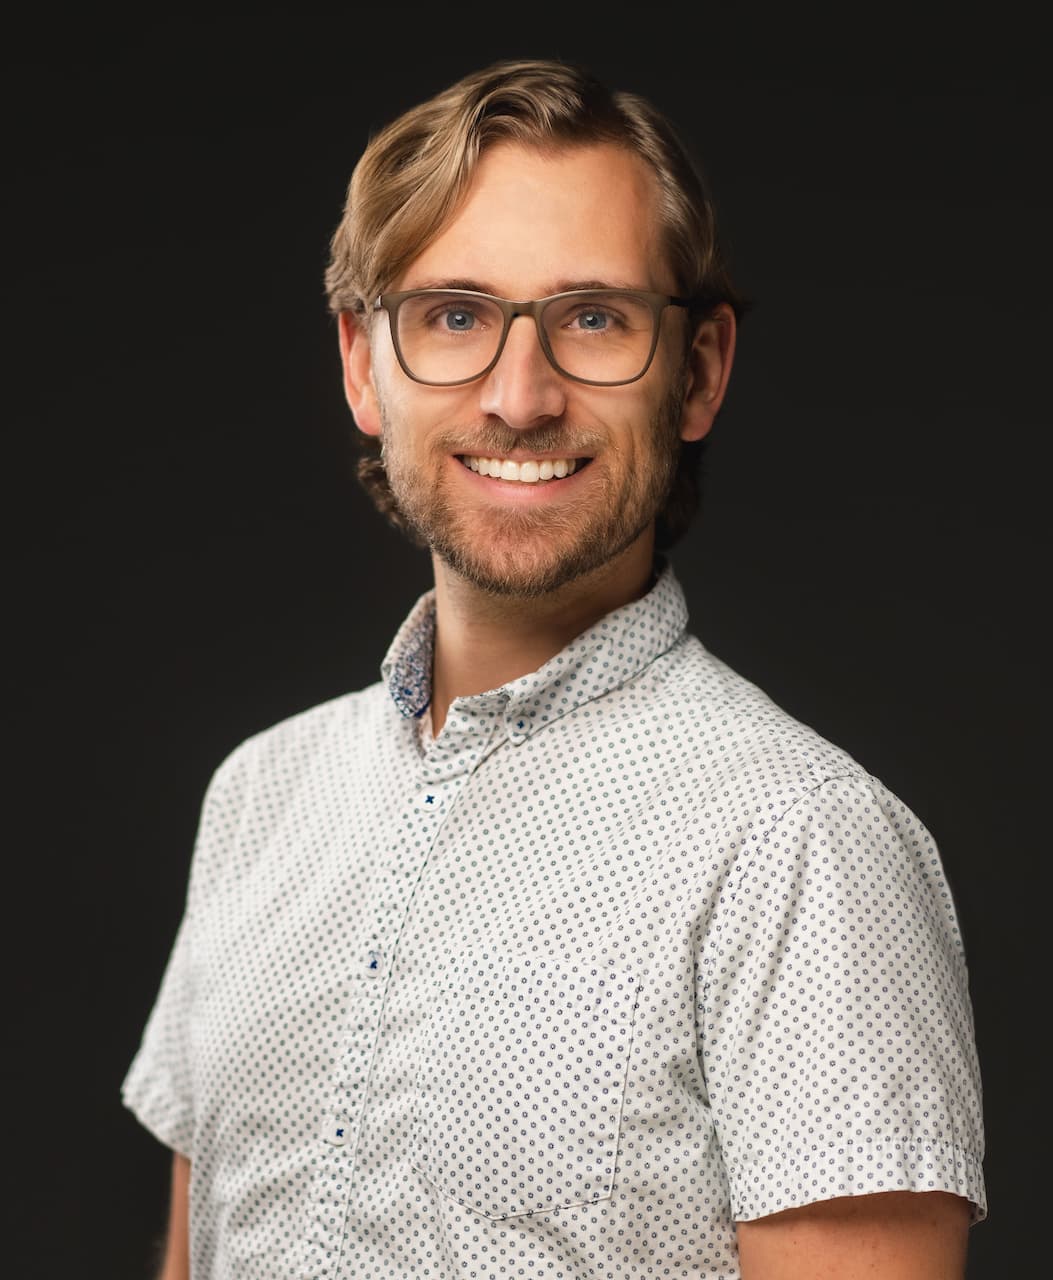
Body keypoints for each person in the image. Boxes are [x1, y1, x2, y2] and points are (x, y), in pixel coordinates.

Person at [122, 58, 987, 1279]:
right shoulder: (258, 796)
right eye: (455, 315)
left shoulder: (804, 844)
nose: (520, 396)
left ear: (698, 371)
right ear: (366, 365)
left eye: (593, 318)